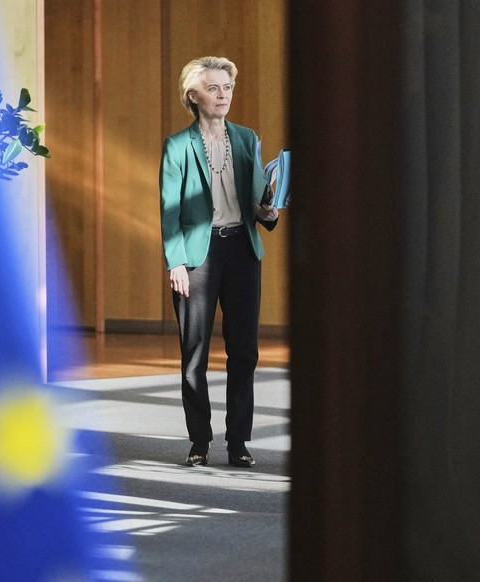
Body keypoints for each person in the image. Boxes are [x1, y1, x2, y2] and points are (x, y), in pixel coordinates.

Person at [159, 56, 279, 468]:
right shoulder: (177, 146)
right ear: (194, 96)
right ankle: (199, 441)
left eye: (227, 87)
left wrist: (268, 211)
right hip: (197, 256)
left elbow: (258, 202)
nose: (223, 95)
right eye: (213, 88)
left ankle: (238, 442)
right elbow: (170, 210)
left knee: (244, 352)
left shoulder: (246, 138)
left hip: (242, 251)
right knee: (194, 354)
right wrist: (175, 262)